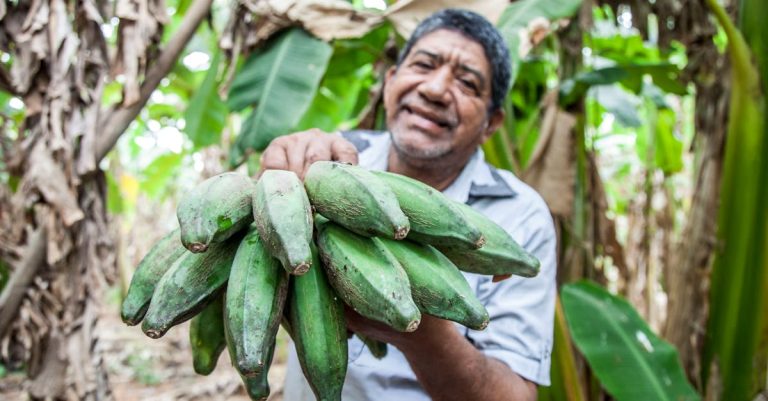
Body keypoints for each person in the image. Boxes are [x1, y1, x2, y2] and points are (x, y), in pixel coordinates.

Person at [259, 9, 557, 401]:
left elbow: (516, 396)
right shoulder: (330, 159)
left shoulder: (520, 215)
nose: (435, 89)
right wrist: (277, 189)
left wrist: (421, 335)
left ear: (492, 122)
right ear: (390, 81)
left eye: (467, 83)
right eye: (423, 65)